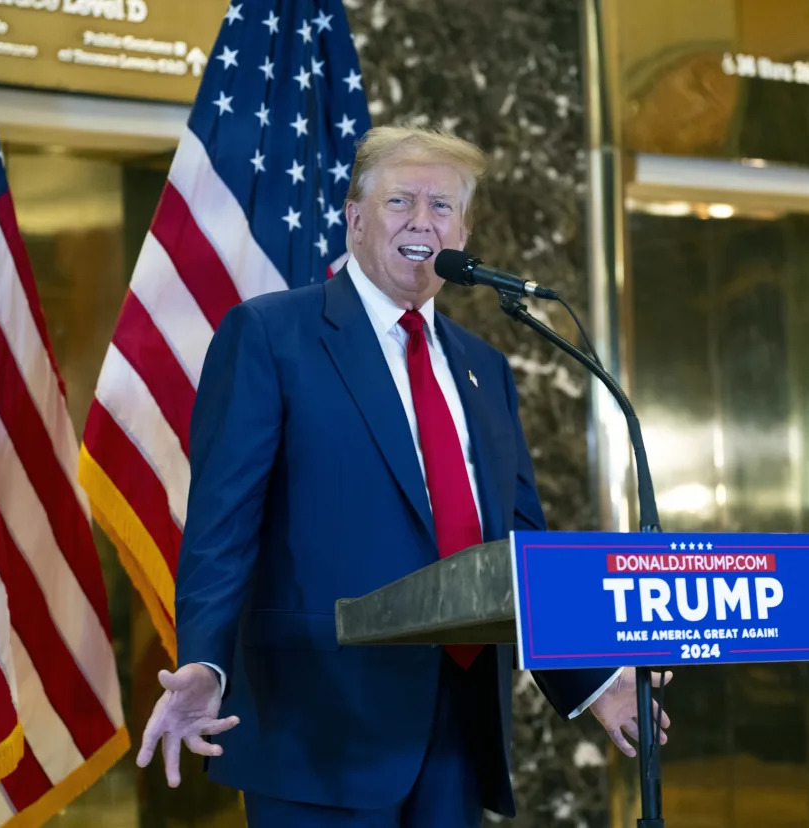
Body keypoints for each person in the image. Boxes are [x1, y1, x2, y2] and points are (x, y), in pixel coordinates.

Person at [135, 126, 672, 828]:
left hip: (456, 731)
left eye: (443, 207)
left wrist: (593, 679)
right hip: (318, 728)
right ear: (355, 217)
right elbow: (220, 530)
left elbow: (519, 549)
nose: (423, 221)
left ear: (465, 229)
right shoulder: (270, 336)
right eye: (400, 202)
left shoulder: (487, 369)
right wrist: (206, 664)